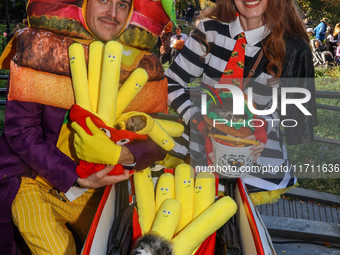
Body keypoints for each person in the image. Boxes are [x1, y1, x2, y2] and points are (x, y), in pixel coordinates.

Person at [0, 0, 168, 254]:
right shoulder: (42, 50)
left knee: (111, 247)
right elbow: (21, 132)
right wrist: (75, 176)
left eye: (122, 4)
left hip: (95, 192)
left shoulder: (139, 64)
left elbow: (159, 136)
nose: (112, 13)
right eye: (103, 0)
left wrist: (124, 155)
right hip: (34, 181)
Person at [165, 0, 317, 204]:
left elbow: (289, 110)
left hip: (258, 165)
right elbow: (171, 82)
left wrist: (262, 125)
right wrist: (197, 120)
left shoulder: (292, 47)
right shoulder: (210, 31)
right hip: (200, 154)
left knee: (241, 233)